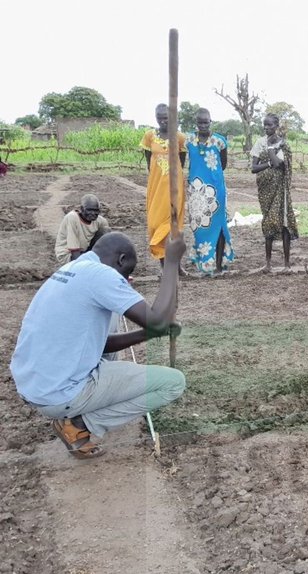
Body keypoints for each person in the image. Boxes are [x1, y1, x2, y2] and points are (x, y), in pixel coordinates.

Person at [9, 232, 186, 458]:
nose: (125, 281)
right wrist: (171, 262)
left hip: (35, 385)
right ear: (121, 260)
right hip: (59, 394)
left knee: (110, 318)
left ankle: (84, 407)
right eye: (126, 274)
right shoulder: (101, 275)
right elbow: (158, 321)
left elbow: (99, 345)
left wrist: (148, 333)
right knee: (173, 383)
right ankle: (79, 425)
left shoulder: (72, 269)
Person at [185, 108, 234, 276]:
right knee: (199, 226)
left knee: (219, 226)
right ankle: (205, 264)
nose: (203, 125)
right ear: (196, 123)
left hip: (216, 190)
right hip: (196, 192)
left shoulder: (219, 141)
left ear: (210, 122)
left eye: (206, 122)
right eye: (200, 122)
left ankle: (218, 266)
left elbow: (223, 164)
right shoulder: (189, 140)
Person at [139, 103, 187, 271]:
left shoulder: (179, 137)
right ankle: (163, 266)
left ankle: (177, 267)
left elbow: (181, 162)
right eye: (159, 118)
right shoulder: (149, 136)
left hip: (175, 188)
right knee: (155, 224)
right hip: (156, 187)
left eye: (166, 118)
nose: (163, 121)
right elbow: (149, 162)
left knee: (174, 226)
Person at [250, 113, 299, 272]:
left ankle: (287, 264)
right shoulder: (259, 142)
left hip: (280, 189)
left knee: (284, 223)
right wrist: (269, 163)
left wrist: (271, 148)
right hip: (265, 190)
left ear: (276, 126)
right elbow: (254, 168)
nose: (266, 128)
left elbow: (280, 164)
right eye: (264, 125)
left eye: (269, 125)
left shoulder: (283, 145)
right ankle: (268, 264)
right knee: (268, 222)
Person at [54, 194, 109, 264]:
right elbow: (74, 251)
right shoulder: (72, 218)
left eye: (96, 210)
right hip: (68, 253)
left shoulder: (101, 221)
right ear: (82, 209)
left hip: (84, 251)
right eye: (89, 210)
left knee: (105, 230)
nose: (93, 213)